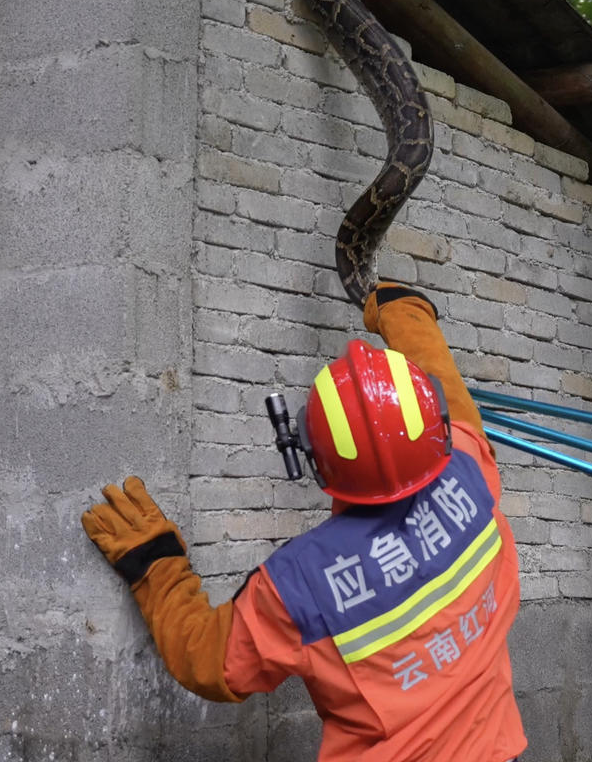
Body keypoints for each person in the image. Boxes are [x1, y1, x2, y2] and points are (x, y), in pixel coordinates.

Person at [80, 283, 526, 762]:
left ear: (315, 461)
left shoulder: (301, 585)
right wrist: (405, 312)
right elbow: (452, 396)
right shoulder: (470, 470)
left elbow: (211, 662)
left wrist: (156, 564)